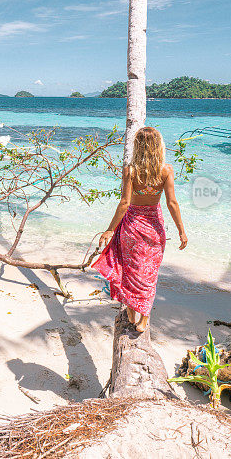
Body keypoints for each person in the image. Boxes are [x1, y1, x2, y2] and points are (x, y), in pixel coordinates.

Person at [92, 127, 187, 333]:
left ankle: (132, 311)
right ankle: (144, 320)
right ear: (158, 146)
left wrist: (110, 230)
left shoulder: (130, 170)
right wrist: (181, 230)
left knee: (132, 271)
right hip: (154, 228)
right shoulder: (166, 170)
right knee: (149, 274)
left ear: (138, 146)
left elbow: (125, 203)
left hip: (132, 228)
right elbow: (172, 203)